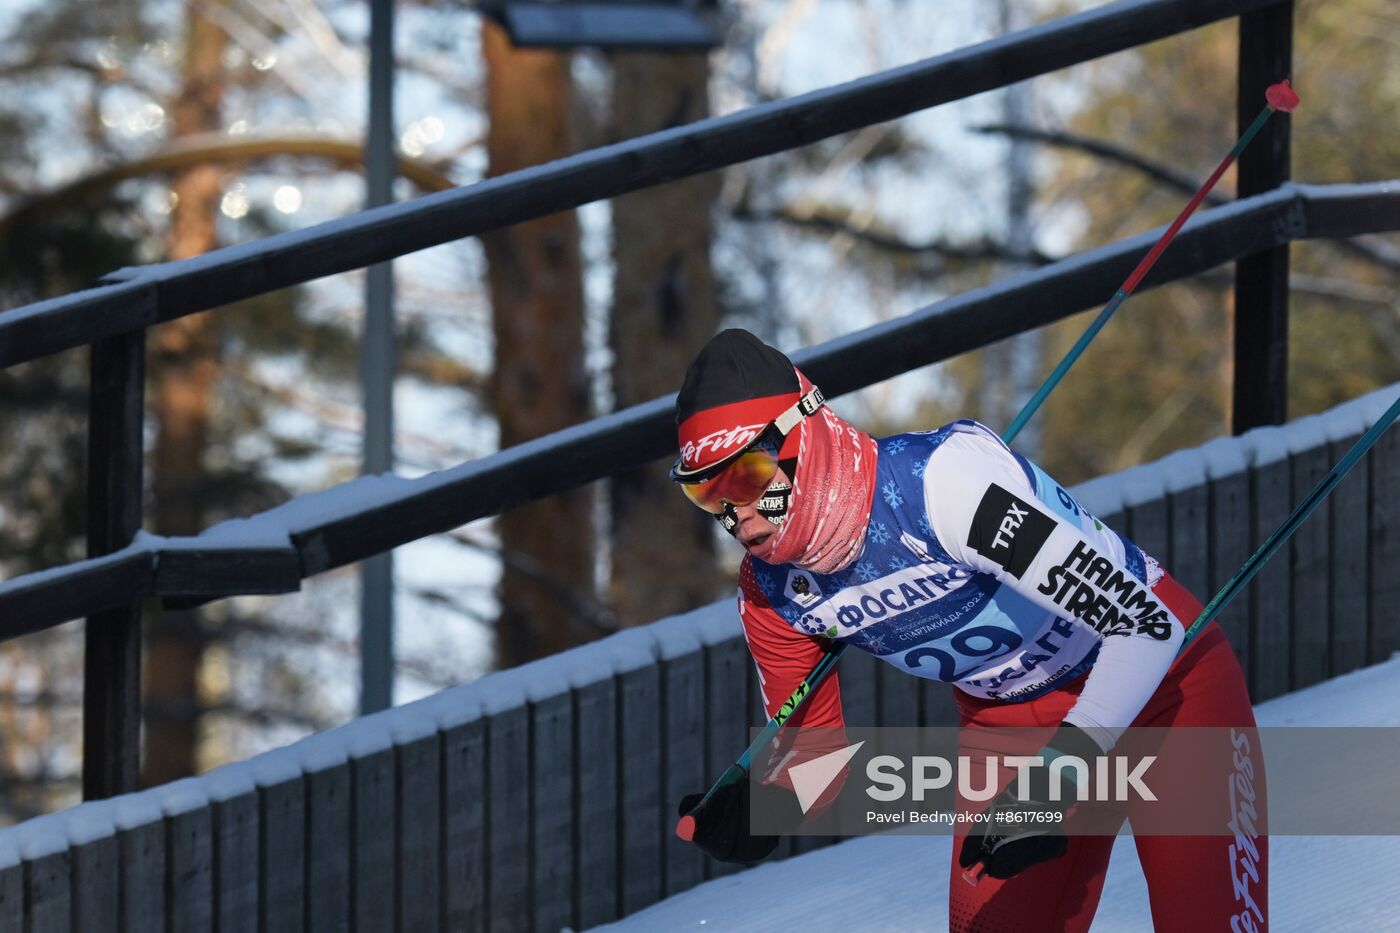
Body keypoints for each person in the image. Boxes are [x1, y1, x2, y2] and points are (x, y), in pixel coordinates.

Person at [669, 329, 1267, 933]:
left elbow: (1146, 627)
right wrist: (768, 810)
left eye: (746, 474)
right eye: (705, 492)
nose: (733, 511)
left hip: (1168, 690)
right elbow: (817, 759)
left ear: (803, 435)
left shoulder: (944, 486)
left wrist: (1060, 776)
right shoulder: (771, 593)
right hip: (1010, 729)